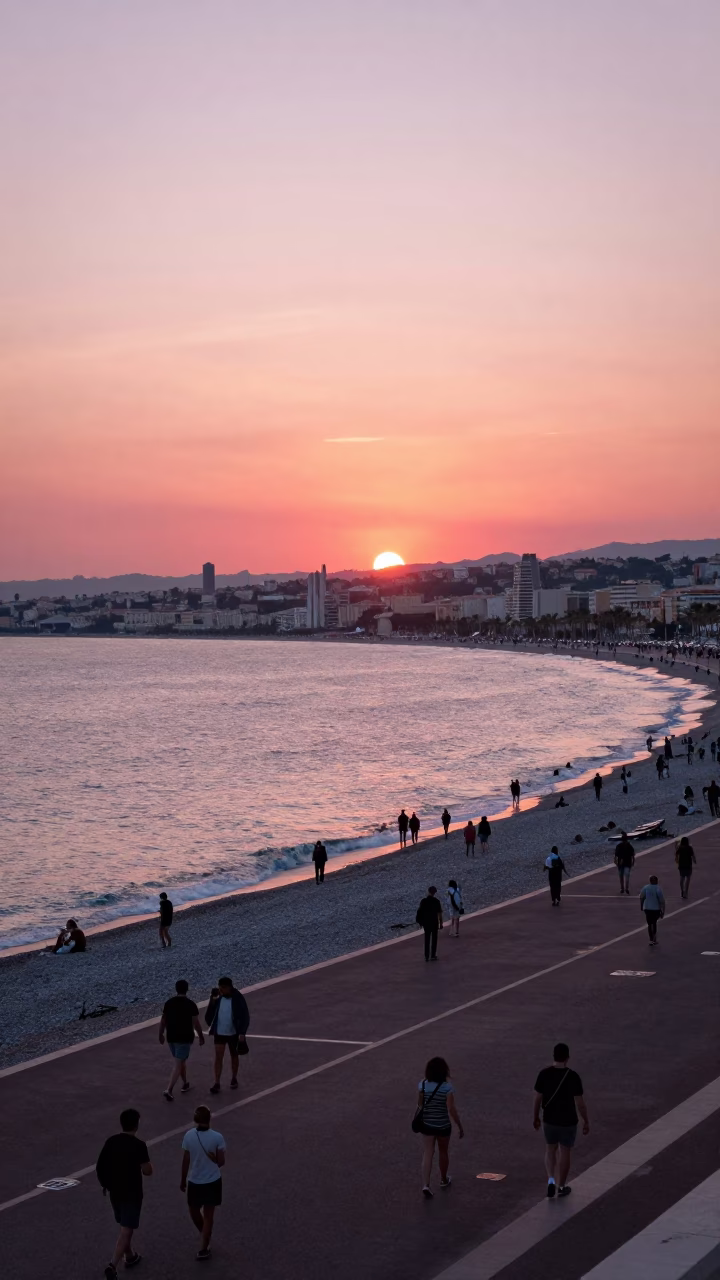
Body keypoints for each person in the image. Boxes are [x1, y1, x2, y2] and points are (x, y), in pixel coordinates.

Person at [96, 1108, 153, 1279]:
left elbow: (100, 1165)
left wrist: (105, 1184)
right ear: (137, 1125)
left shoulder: (111, 1141)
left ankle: (130, 1256)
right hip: (132, 1193)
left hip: (115, 1191)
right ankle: (112, 1265)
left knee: (123, 1226)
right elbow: (147, 1171)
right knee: (127, 1230)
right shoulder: (139, 1145)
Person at [533, 1042, 589, 1198]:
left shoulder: (544, 1074)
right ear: (567, 1058)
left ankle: (550, 1180)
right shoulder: (573, 1076)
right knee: (565, 1151)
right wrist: (586, 1120)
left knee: (550, 1149)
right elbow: (580, 1103)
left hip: (549, 1119)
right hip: (568, 1120)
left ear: (553, 1056)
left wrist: (535, 1117)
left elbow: (537, 1098)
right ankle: (561, 1186)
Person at [180, 1105, 226, 1261]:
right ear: (209, 1119)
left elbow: (186, 1159)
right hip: (213, 1180)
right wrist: (214, 1159)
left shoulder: (188, 1136)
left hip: (194, 1180)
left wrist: (182, 1179)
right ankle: (204, 1244)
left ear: (195, 1120)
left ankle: (204, 1235)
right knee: (208, 1215)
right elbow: (221, 1162)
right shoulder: (217, 1137)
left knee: (193, 1211)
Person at [415, 1056, 463, 1198]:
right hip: (443, 1124)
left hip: (427, 1124)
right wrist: (459, 1125)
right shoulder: (447, 1088)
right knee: (443, 1151)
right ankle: (443, 1179)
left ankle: (426, 1184)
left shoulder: (422, 1085)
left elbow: (419, 1105)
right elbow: (451, 1109)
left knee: (428, 1152)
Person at [159, 979, 205, 1101]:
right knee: (178, 1064)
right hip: (184, 1038)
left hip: (171, 1038)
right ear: (187, 989)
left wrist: (160, 1034)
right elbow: (196, 1023)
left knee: (181, 1061)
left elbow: (163, 1020)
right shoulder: (191, 1005)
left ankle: (185, 1083)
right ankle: (169, 1090)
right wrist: (201, 1036)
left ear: (176, 989)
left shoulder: (169, 1003)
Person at [206, 977, 250, 1093]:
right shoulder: (217, 997)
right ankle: (217, 1082)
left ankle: (234, 1078)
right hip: (219, 1032)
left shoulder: (238, 998)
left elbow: (245, 1016)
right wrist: (212, 1000)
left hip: (233, 1032)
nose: (221, 990)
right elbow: (209, 1013)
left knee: (234, 1055)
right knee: (218, 1056)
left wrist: (242, 1032)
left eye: (222, 988)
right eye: (219, 988)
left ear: (228, 987)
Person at [416, 886, 443, 961]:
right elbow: (439, 913)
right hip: (434, 922)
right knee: (434, 939)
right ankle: (433, 955)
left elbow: (419, 911)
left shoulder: (423, 901)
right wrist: (441, 923)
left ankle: (426, 956)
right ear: (435, 893)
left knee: (427, 939)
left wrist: (420, 922)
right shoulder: (436, 901)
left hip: (426, 923)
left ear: (428, 891)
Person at [640, 875, 665, 946]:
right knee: (654, 923)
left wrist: (641, 906)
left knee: (649, 924)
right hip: (655, 909)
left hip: (647, 909)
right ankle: (654, 939)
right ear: (656, 881)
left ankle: (651, 939)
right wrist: (663, 911)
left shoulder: (645, 888)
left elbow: (642, 898)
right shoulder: (658, 888)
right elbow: (662, 901)